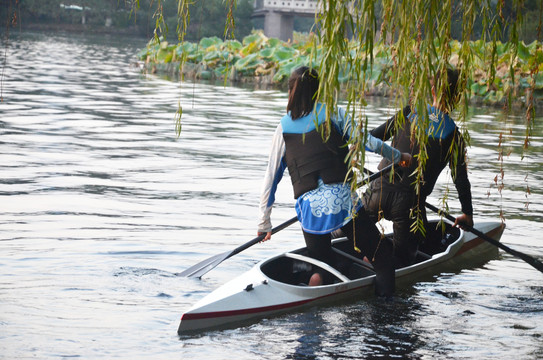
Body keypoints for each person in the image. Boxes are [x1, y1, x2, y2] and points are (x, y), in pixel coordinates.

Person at [256, 66, 411, 296]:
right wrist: (399, 156)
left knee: (321, 263)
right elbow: (368, 142)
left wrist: (264, 224)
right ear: (319, 90)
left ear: (291, 92)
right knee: (383, 258)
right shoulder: (334, 114)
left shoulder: (282, 128)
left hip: (309, 209)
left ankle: (317, 284)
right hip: (342, 204)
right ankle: (383, 316)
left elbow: (271, 178)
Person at [362, 67, 473, 268]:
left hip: (377, 190)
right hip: (408, 206)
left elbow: (374, 136)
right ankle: (382, 261)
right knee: (404, 261)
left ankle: (355, 248)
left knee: (352, 228)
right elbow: (460, 180)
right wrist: (467, 213)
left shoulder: (409, 111)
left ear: (431, 90)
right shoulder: (454, 136)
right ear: (457, 97)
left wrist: (352, 144)